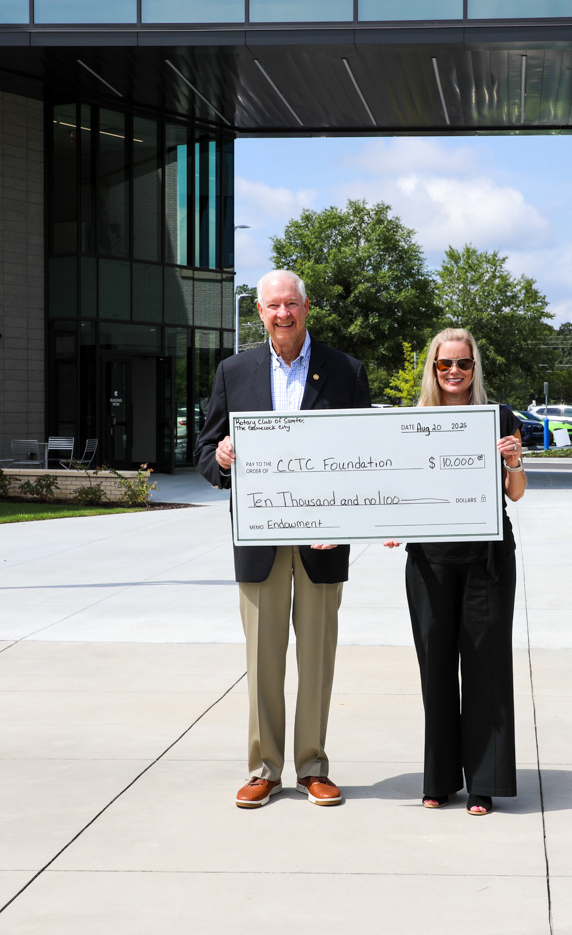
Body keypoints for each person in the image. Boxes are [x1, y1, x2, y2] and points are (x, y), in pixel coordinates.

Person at [197, 269, 371, 810]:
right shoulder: (235, 371)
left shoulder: (345, 371)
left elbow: (364, 458)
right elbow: (205, 451)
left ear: (307, 307)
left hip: (322, 542)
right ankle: (264, 769)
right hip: (259, 541)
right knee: (264, 658)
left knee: (317, 659)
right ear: (259, 312)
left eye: (291, 305)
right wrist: (221, 459)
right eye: (273, 306)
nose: (283, 315)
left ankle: (313, 766)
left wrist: (344, 522)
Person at [386, 328, 526, 816]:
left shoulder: (499, 417)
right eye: (444, 364)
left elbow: (516, 493)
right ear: (433, 368)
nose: (453, 372)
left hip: (487, 561)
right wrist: (388, 522)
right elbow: (398, 487)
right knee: (437, 671)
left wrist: (514, 461)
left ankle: (484, 782)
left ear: (474, 368)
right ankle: (440, 778)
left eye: (462, 364)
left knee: (487, 669)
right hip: (429, 562)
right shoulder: (413, 422)